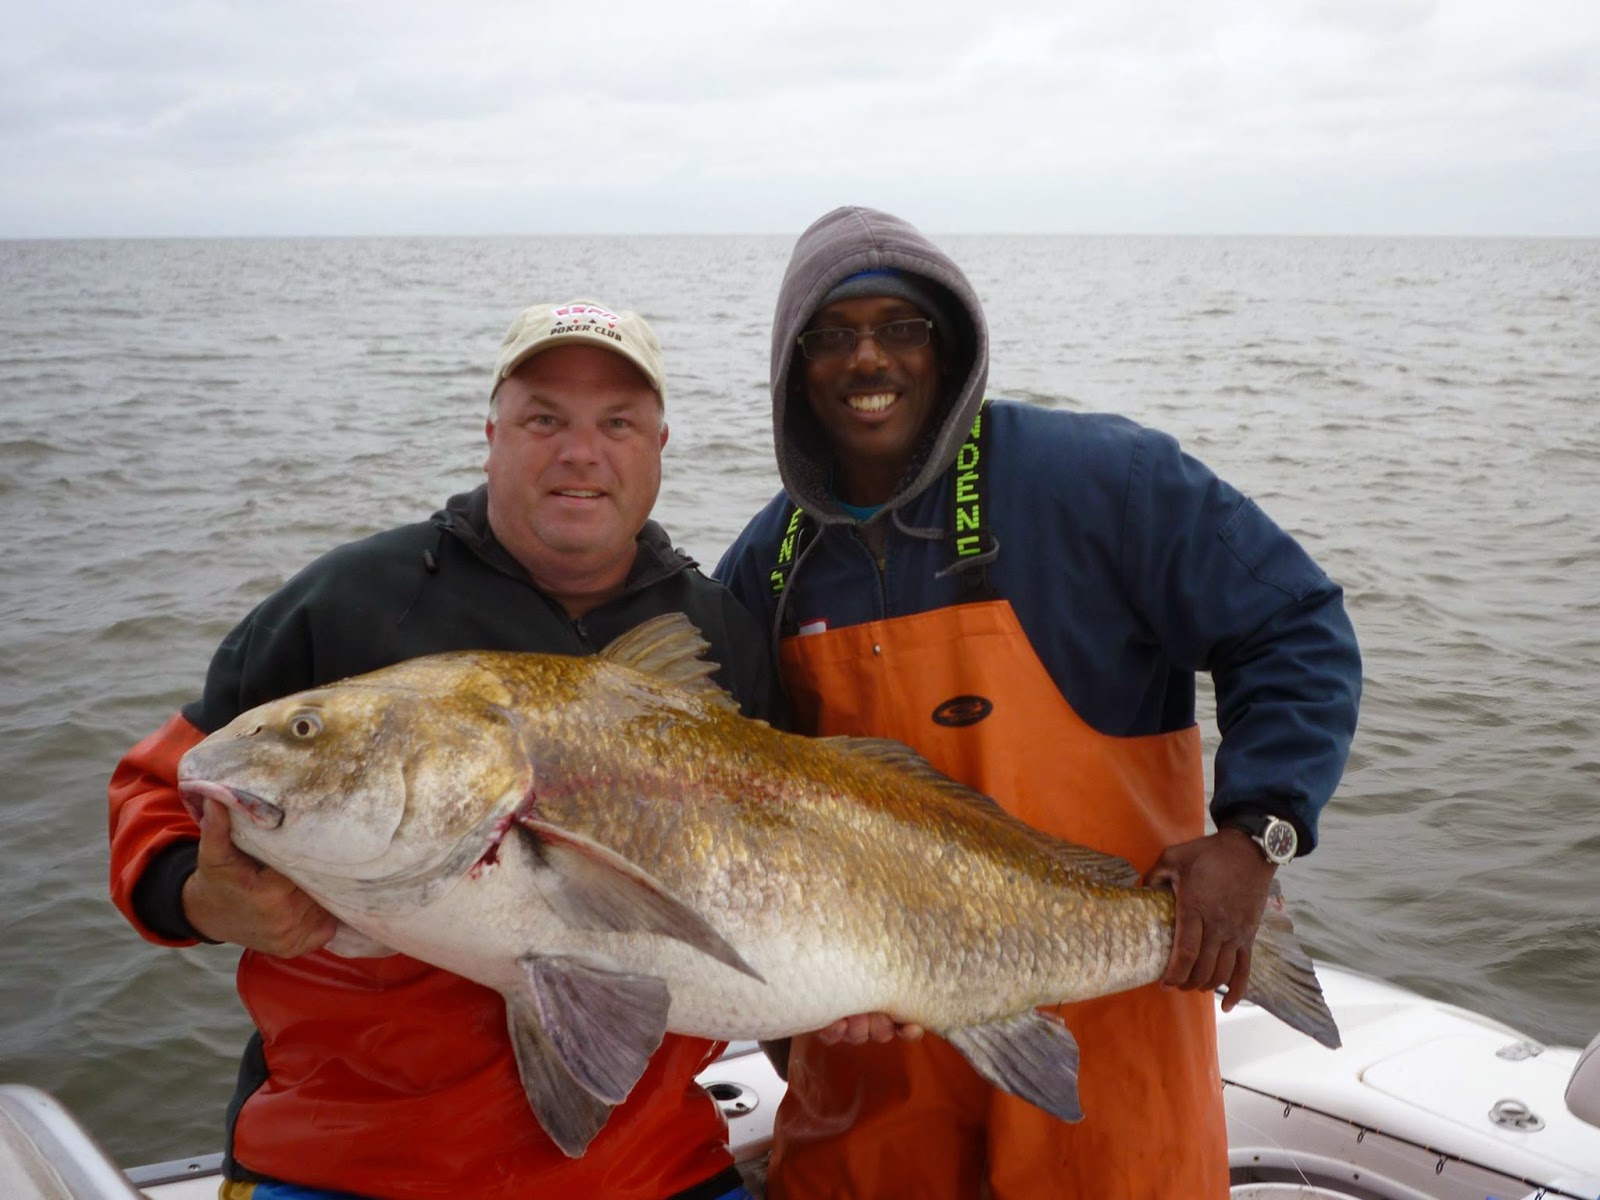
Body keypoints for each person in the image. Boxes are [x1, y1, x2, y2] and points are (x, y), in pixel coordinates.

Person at [715, 207, 1362, 1198]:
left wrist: (1256, 836)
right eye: (831, 336)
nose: (867, 358)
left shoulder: (1104, 481)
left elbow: (1295, 626)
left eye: (899, 327)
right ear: (793, 369)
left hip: (1111, 1063)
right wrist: (796, 1009)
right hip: (876, 1096)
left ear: (947, 345)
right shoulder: (764, 567)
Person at [109, 298, 782, 1200]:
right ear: (492, 435)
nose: (581, 453)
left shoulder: (718, 634)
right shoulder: (347, 601)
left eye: (617, 424)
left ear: (659, 447)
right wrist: (200, 896)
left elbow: (797, 860)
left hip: (651, 1166)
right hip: (343, 1164)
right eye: (544, 419)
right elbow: (163, 785)